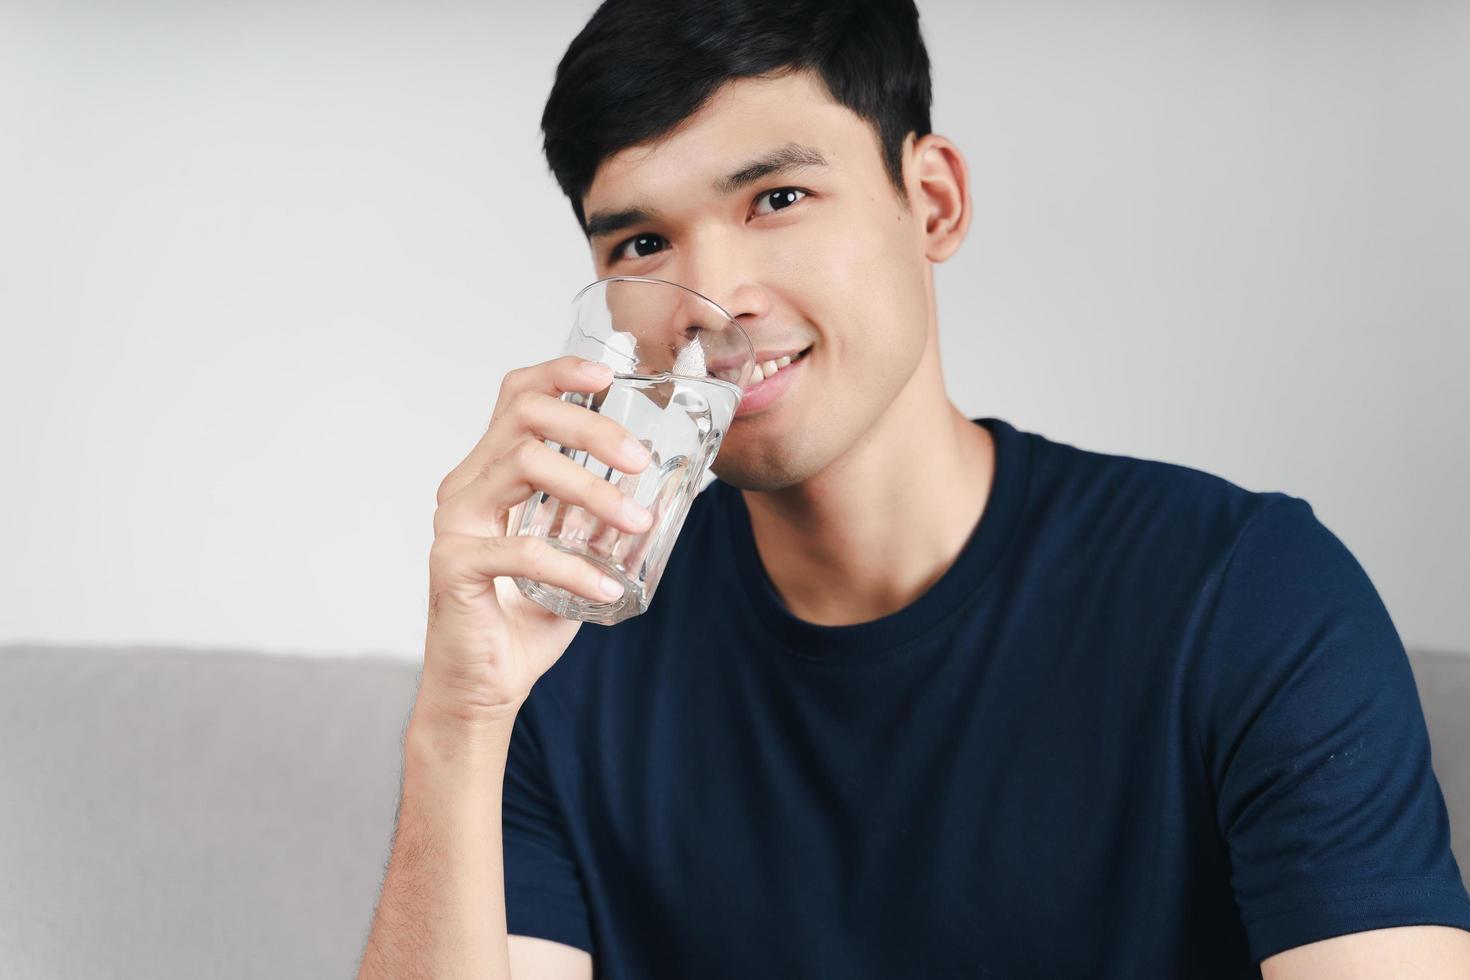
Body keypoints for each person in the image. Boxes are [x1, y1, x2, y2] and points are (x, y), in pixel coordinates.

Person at [357, 1, 1470, 977]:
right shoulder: (569, 648)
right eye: (644, 240)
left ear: (930, 201)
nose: (710, 296)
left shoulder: (1248, 594)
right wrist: (461, 719)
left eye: (778, 196)